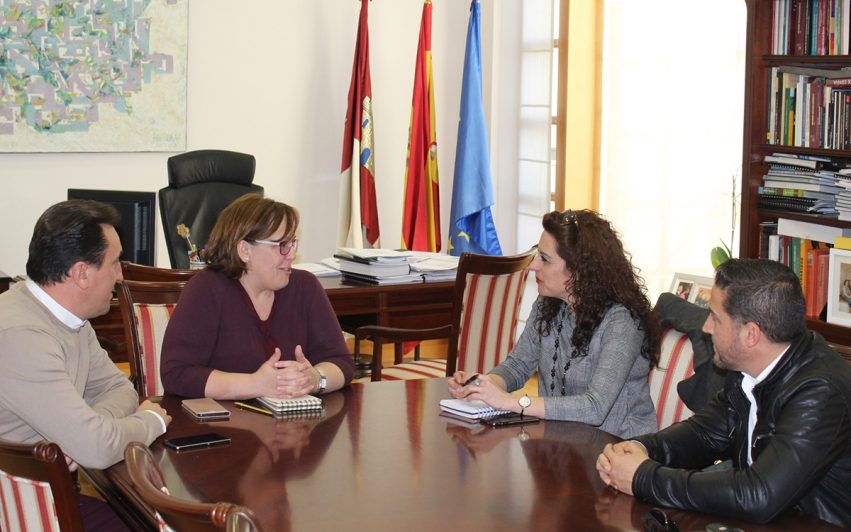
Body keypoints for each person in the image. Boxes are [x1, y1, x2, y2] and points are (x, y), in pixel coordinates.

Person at [596, 259, 851, 528]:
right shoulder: (749, 367)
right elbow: (704, 434)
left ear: (750, 334)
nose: (705, 327)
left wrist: (643, 477)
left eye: (715, 317)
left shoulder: (821, 392)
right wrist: (641, 448)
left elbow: (759, 495)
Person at [0, 200, 171, 528]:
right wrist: (151, 421)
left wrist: (84, 431)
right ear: (81, 273)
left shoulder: (69, 319)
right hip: (22, 512)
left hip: (47, 494)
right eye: (116, 262)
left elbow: (119, 387)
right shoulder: (22, 336)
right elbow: (98, 447)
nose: (121, 276)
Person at [448, 209, 661, 439]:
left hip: (617, 453)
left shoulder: (622, 322)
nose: (533, 266)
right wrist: (483, 385)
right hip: (562, 445)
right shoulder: (548, 304)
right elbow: (518, 365)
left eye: (545, 260)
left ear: (579, 271)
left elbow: (595, 408)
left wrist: (511, 402)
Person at [160, 193, 354, 399]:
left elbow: (342, 363)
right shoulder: (207, 289)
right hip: (224, 425)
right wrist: (255, 384)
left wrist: (315, 379)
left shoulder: (305, 287)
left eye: (292, 243)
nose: (291, 254)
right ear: (245, 250)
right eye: (281, 245)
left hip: (295, 424)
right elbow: (176, 374)